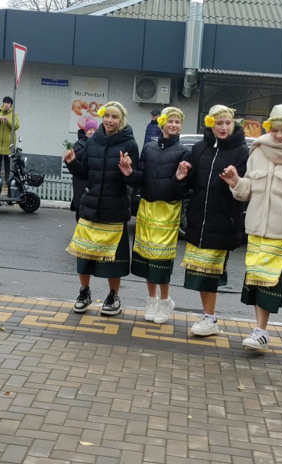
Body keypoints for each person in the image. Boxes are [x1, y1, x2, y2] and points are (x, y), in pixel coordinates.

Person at [221, 105, 282, 351]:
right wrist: (235, 181)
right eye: (275, 130)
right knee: (256, 283)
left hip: (281, 232)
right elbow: (247, 192)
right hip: (255, 230)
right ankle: (260, 330)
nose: (278, 135)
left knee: (269, 285)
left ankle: (261, 331)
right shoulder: (258, 152)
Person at [173, 105, 250, 337]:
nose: (224, 127)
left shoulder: (241, 152)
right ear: (210, 124)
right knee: (199, 273)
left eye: (228, 123)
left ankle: (210, 317)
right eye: (219, 123)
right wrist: (181, 176)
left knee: (210, 273)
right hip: (198, 218)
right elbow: (189, 186)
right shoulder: (198, 149)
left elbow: (246, 191)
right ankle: (208, 316)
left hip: (223, 219)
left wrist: (235, 181)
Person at [63, 101, 139, 316]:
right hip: (90, 206)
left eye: (115, 117)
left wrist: (128, 172)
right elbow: (84, 172)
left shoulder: (130, 144)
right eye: (107, 116)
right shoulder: (93, 141)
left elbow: (136, 179)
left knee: (113, 260)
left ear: (121, 120)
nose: (109, 120)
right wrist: (72, 163)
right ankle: (84, 292)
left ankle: (113, 297)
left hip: (114, 208)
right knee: (84, 255)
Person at [121, 106, 190, 323]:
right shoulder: (149, 148)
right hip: (147, 207)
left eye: (177, 122)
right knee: (146, 258)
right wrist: (130, 173)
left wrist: (179, 178)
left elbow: (184, 190)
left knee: (161, 258)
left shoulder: (183, 152)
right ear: (162, 123)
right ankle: (151, 300)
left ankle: (165, 300)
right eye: (170, 121)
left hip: (168, 210)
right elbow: (141, 179)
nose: (174, 125)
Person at [70, 118, 98, 222]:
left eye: (94, 130)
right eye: (90, 129)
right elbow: (76, 156)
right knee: (80, 203)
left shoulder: (98, 143)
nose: (92, 132)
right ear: (85, 131)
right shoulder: (80, 143)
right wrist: (88, 144)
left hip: (91, 178)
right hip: (80, 179)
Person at [0, 96, 19, 184]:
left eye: (8, 103)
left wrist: (8, 120)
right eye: (5, 102)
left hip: (8, 143)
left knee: (7, 162)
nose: (6, 105)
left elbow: (16, 126)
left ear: (11, 105)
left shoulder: (14, 114)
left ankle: (7, 179)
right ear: (3, 103)